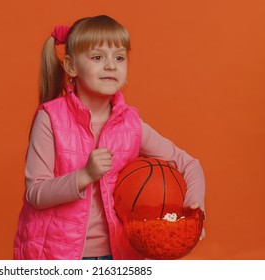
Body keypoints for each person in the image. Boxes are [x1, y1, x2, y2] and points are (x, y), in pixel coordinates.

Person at [13, 15, 205, 260]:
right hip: (57, 256)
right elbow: (35, 193)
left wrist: (194, 209)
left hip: (119, 256)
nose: (111, 65)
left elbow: (189, 164)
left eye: (119, 57)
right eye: (97, 57)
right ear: (71, 67)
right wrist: (84, 176)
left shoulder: (131, 125)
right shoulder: (50, 118)